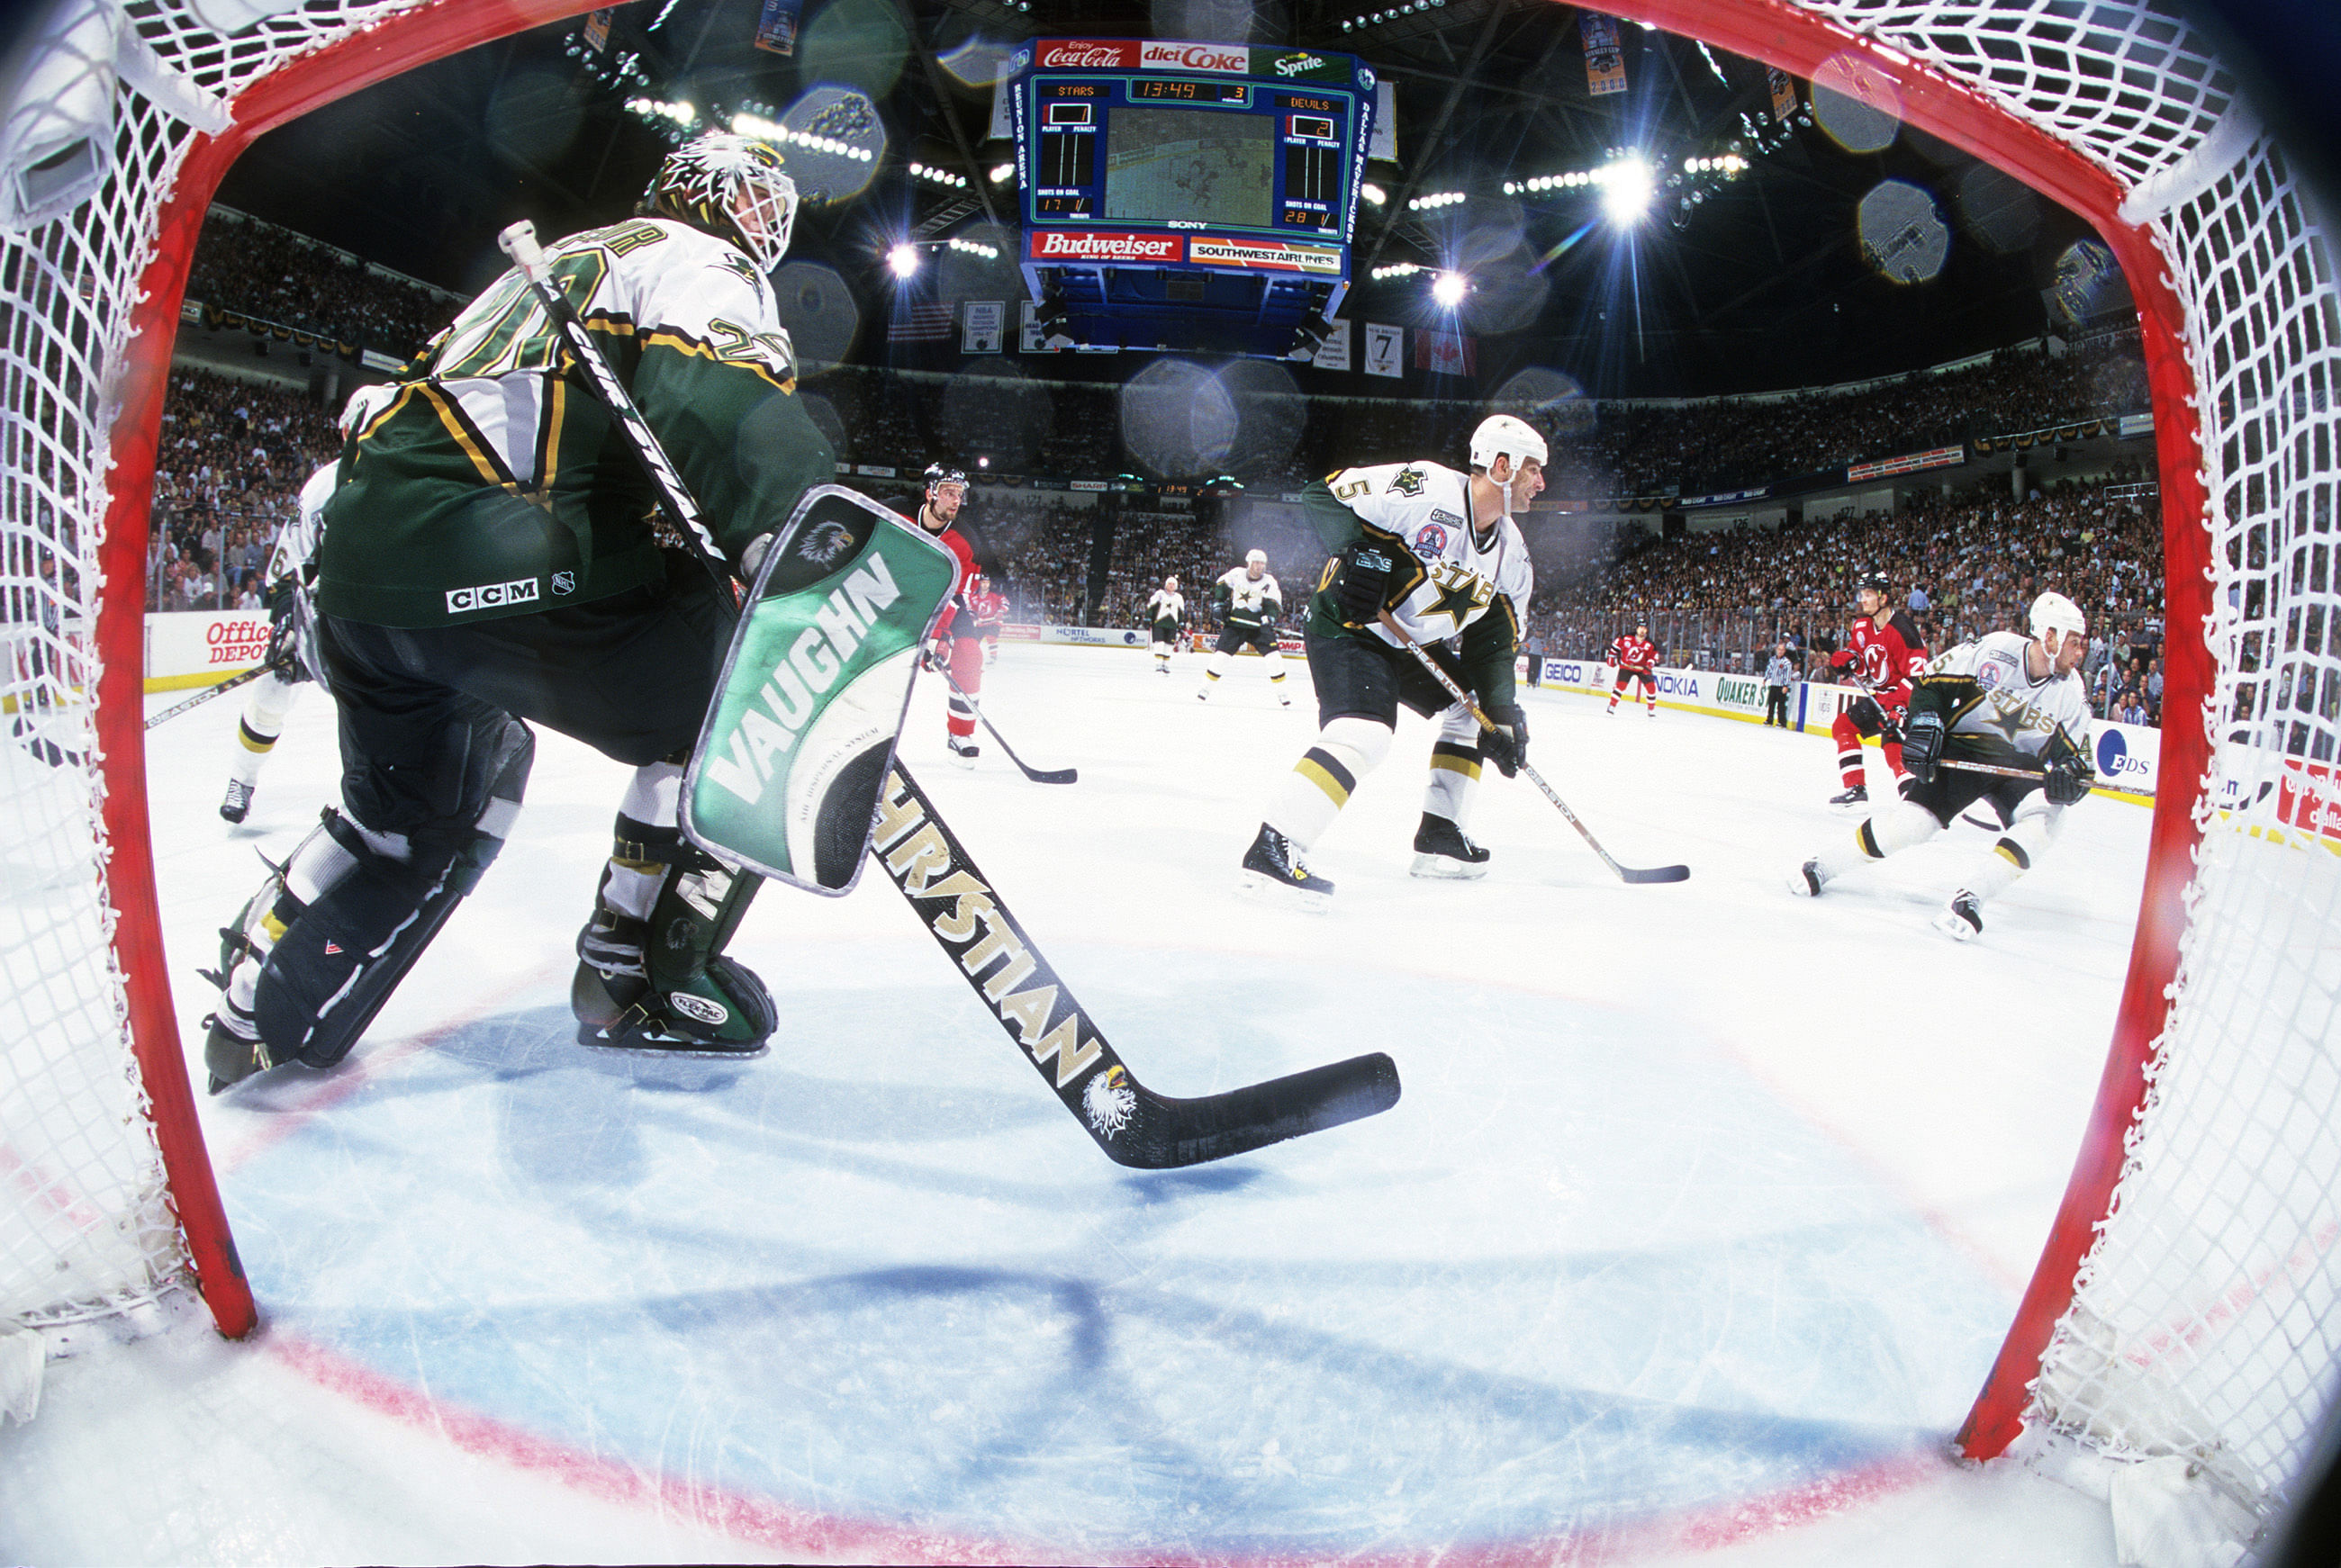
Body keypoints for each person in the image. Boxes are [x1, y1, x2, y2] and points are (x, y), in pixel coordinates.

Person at [202, 131, 834, 1090]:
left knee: (420, 813)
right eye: (755, 199)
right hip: (505, 565)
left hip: (367, 587)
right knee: (747, 701)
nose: (763, 223)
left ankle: (257, 1002)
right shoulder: (696, 261)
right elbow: (717, 403)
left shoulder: (555, 267)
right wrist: (801, 540)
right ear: (708, 194)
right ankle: (640, 975)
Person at [1240, 414, 1542, 902]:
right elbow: (1323, 493)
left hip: (1410, 645)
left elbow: (1495, 642)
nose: (1541, 482)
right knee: (1366, 731)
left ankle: (1441, 840)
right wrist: (1360, 552)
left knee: (1472, 712)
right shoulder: (1425, 487)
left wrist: (1502, 714)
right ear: (1502, 467)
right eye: (1533, 469)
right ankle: (1274, 849)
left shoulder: (1513, 555)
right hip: (1350, 624)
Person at [1789, 591, 2096, 941]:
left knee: (2049, 817)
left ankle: (1971, 899)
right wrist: (1926, 721)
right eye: (2075, 641)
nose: (2081, 650)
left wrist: (2072, 778)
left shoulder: (2072, 692)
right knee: (1912, 826)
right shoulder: (1996, 650)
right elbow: (1930, 683)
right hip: (1964, 751)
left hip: (2018, 769)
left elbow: (2081, 763)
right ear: (2050, 636)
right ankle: (1824, 865)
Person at [218, 384, 394, 825]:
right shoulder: (324, 486)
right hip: (323, 618)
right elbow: (288, 562)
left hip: (384, 623)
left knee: (386, 714)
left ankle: (380, 799)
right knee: (272, 691)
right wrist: (285, 621)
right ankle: (243, 778)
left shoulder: (410, 483)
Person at [1823, 572, 1929, 807]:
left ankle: (1912, 799)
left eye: (1869, 594)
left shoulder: (1904, 629)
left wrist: (1899, 708)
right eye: (1862, 594)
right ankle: (1856, 788)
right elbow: (1862, 661)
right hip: (1882, 697)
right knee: (1843, 726)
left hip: (1910, 698)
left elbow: (1917, 677)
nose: (1863, 599)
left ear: (1883, 598)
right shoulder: (1861, 626)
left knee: (1892, 743)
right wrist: (1849, 660)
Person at [908, 463, 983, 765]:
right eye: (948, 492)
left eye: (960, 494)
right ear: (930, 493)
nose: (956, 500)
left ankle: (961, 734)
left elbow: (958, 595)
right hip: (899, 597)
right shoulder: (895, 516)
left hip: (946, 604)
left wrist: (941, 636)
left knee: (969, 653)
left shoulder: (967, 541)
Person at [1197, 548, 1291, 704]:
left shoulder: (1269, 581)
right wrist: (1219, 603)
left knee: (1274, 658)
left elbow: (1273, 603)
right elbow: (1221, 585)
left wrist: (1270, 616)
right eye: (1256, 562)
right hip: (1236, 623)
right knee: (1221, 657)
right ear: (1249, 562)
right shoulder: (1236, 574)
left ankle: (1283, 694)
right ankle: (1205, 689)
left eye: (1262, 563)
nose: (1259, 566)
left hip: (1258, 625)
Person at [1606, 623, 1658, 717]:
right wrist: (1611, 657)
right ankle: (1611, 706)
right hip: (1626, 667)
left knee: (1651, 688)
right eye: (1640, 628)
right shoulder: (1626, 638)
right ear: (1637, 628)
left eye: (1644, 628)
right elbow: (1615, 647)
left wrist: (1649, 666)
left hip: (1642, 669)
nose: (1642, 630)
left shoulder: (1650, 644)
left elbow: (1653, 657)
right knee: (1620, 687)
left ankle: (1651, 710)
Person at [1144, 573, 1185, 676]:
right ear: (1166, 585)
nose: (1171, 585)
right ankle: (1158, 664)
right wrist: (1148, 617)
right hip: (1159, 622)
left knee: (1169, 644)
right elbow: (1151, 606)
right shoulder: (1160, 594)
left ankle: (1165, 664)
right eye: (1169, 584)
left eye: (1173, 584)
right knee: (1159, 643)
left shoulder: (1179, 597)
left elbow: (1181, 612)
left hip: (1172, 624)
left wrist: (1181, 622)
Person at [1762, 641, 1796, 728]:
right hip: (1773, 684)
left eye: (1782, 650)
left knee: (1781, 705)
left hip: (1781, 685)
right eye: (1779, 649)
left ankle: (1782, 722)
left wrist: (1786, 685)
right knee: (1771, 703)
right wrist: (1765, 679)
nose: (1780, 651)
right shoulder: (1772, 659)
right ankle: (1769, 719)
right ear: (1776, 649)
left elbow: (1787, 675)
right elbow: (1769, 669)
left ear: (1784, 651)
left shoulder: (1787, 662)